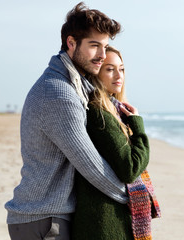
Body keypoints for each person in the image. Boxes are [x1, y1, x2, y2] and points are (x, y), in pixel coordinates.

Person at [4, 3, 128, 240]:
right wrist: (131, 195)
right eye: (94, 46)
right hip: (42, 219)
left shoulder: (75, 85)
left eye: (104, 46)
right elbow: (91, 165)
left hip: (48, 216)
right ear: (71, 43)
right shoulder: (58, 93)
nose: (102, 55)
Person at [72, 46, 161, 240]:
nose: (118, 75)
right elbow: (130, 168)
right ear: (96, 73)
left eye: (121, 69)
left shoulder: (114, 111)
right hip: (104, 221)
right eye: (110, 69)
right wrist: (138, 127)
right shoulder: (99, 114)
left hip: (107, 216)